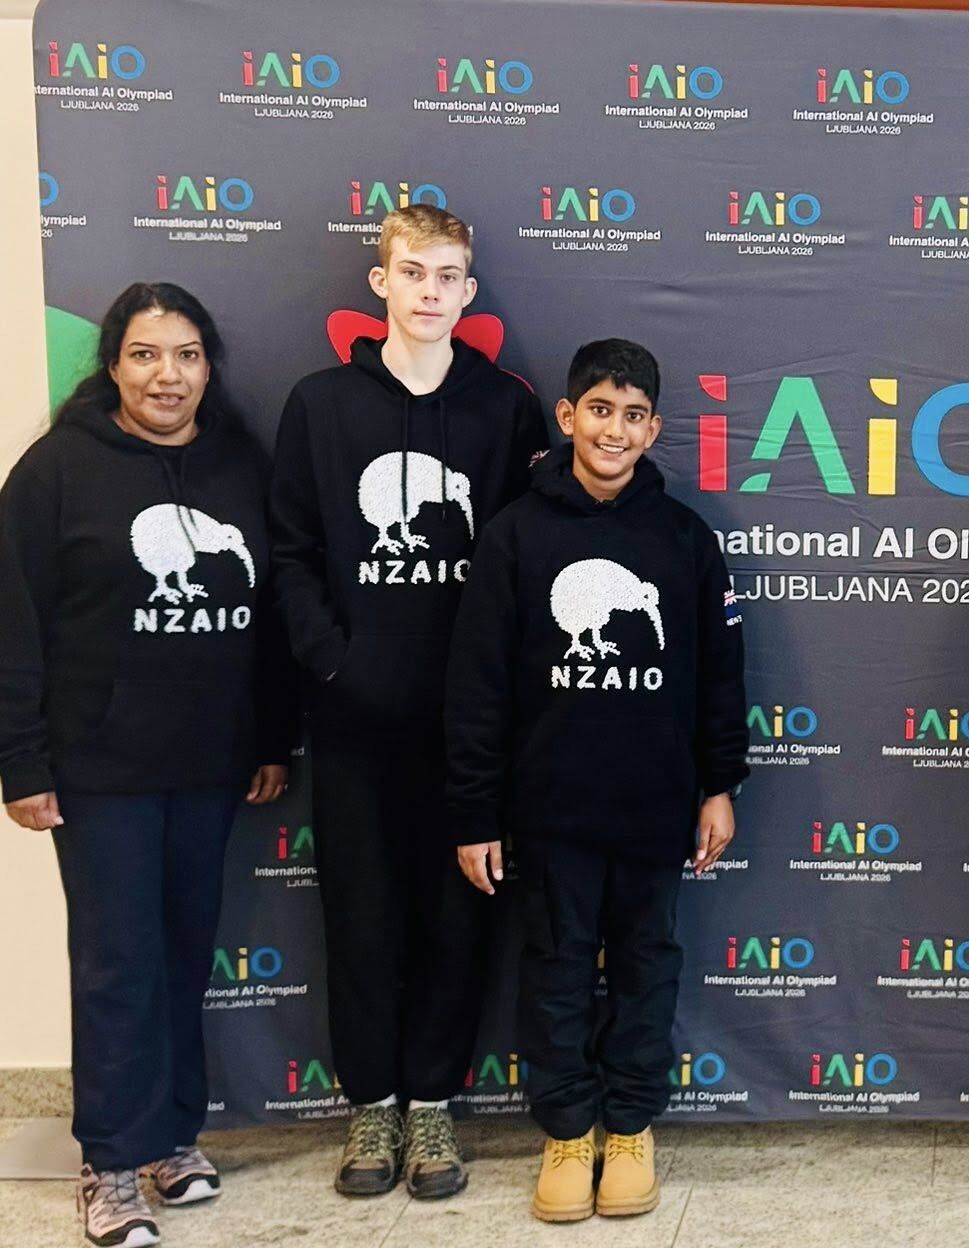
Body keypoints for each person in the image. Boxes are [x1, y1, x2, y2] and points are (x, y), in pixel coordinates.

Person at [0, 282, 294, 1248]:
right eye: (143, 355)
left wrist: (267, 740)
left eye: (184, 356)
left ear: (208, 366)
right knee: (117, 964)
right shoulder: (54, 474)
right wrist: (23, 762)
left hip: (209, 764)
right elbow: (16, 630)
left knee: (178, 952)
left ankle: (172, 1137)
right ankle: (111, 1163)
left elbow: (270, 623)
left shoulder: (242, 466)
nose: (165, 376)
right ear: (113, 365)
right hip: (100, 771)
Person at [269, 204, 548, 1199]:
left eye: (449, 277)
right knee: (362, 918)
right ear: (379, 283)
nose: (430, 292)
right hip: (354, 723)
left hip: (471, 729)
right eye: (412, 272)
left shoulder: (507, 409)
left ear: (469, 294)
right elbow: (292, 553)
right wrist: (337, 663)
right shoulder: (320, 404)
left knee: (457, 917)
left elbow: (532, 561)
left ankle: (433, 1108)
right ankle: (371, 1108)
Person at [443, 339, 746, 1221]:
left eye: (634, 414)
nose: (615, 429)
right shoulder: (515, 535)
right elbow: (478, 686)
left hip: (655, 808)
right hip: (549, 812)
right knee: (556, 969)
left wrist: (718, 782)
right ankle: (568, 1129)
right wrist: (475, 810)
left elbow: (718, 673)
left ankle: (631, 1126)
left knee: (648, 966)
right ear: (568, 417)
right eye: (599, 410)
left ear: (654, 429)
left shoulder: (684, 539)